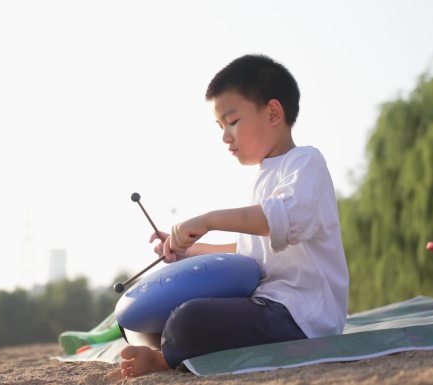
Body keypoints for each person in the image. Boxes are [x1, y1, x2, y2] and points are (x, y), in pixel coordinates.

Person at [119, 54, 349, 378]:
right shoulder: (262, 179)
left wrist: (208, 220)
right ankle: (161, 345)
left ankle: (161, 358)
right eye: (220, 126)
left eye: (233, 121)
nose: (226, 136)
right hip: (263, 305)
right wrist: (185, 251)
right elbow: (246, 254)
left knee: (189, 320)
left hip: (300, 317)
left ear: (272, 113)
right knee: (138, 313)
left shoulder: (305, 162)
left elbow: (277, 220)